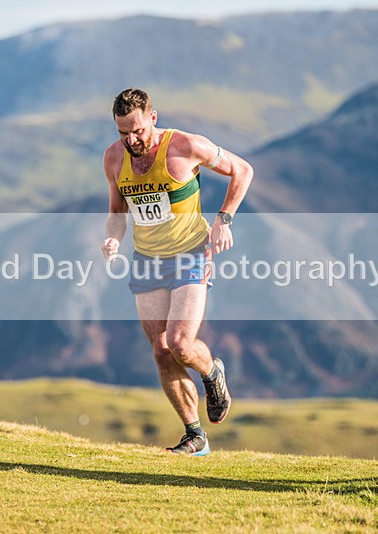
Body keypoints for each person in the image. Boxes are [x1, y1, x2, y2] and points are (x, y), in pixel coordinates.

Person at [101, 88, 254, 456]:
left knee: (182, 344)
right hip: (147, 259)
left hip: (189, 252)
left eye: (137, 130)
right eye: (124, 133)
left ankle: (212, 372)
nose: (132, 140)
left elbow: (242, 170)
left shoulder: (184, 146)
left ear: (153, 118)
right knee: (161, 350)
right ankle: (195, 436)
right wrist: (112, 240)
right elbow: (117, 211)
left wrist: (224, 220)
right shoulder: (113, 158)